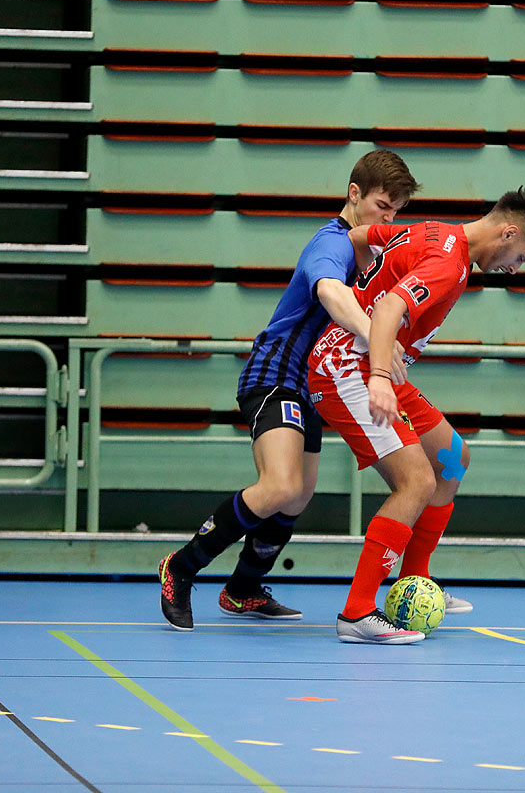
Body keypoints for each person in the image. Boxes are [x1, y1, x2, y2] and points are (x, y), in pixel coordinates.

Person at [158, 151, 420, 630]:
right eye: (383, 205)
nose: (390, 218)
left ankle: (242, 590)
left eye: (398, 210)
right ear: (354, 194)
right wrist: (378, 341)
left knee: (296, 497)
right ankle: (181, 567)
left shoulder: (371, 257)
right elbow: (328, 293)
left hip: (314, 383)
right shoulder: (332, 243)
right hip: (277, 372)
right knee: (278, 484)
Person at [309, 188, 525, 643]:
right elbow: (390, 306)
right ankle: (356, 614)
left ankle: (414, 581)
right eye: (523, 257)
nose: (515, 268)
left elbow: (360, 235)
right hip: (348, 369)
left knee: (451, 458)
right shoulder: (448, 266)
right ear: (508, 232)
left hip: (383, 364)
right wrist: (377, 377)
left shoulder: (435, 231)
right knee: (417, 481)